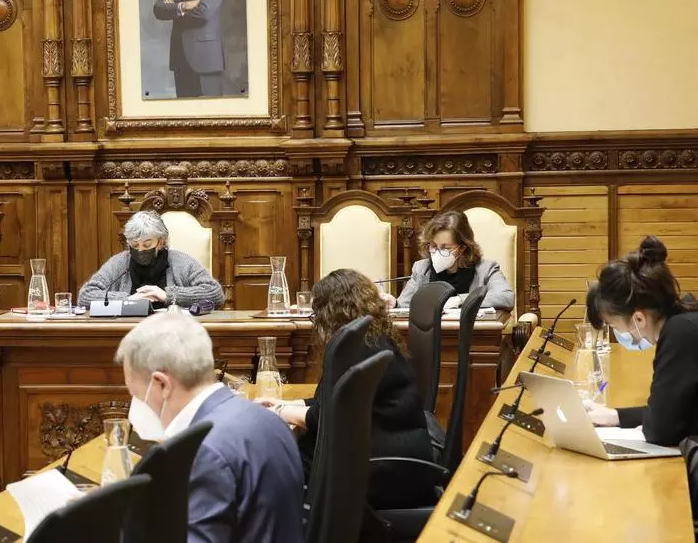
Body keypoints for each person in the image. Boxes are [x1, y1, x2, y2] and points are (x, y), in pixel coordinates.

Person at [255, 269, 437, 509]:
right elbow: (333, 402)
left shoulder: (354, 348)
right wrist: (288, 404)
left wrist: (278, 412)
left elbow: (326, 418)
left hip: (381, 472)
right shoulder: (370, 339)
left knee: (267, 458)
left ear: (330, 313)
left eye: (316, 315)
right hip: (391, 462)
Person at [116, 309, 303, 541]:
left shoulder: (203, 452)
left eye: (135, 393)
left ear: (162, 384)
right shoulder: (269, 419)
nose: (136, 404)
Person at [583, 236, 698, 446]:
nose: (618, 333)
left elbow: (660, 431)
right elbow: (667, 411)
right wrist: (615, 416)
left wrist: (639, 422)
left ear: (639, 319)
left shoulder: (681, 336)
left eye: (614, 326)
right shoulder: (691, 320)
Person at [78, 210, 225, 309]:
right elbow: (85, 296)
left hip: (172, 331)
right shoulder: (119, 263)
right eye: (134, 245)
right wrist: (127, 300)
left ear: (160, 242)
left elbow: (215, 294)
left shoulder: (181, 262)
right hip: (128, 331)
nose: (140, 250)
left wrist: (168, 296)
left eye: (147, 244)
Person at [395, 210, 515, 311]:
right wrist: (394, 304)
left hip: (471, 331)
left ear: (462, 248)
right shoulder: (422, 269)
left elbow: (506, 297)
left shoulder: (486, 269)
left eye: (445, 248)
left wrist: (461, 300)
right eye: (433, 246)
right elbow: (403, 305)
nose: (437, 252)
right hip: (429, 331)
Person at [153, 0, 227, 98]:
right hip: (180, 57)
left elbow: (204, 12)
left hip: (206, 59)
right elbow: (158, 9)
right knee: (184, 107)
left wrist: (175, 9)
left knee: (210, 106)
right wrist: (183, 6)